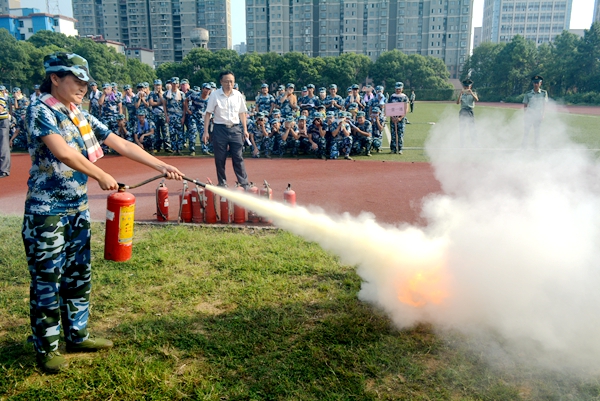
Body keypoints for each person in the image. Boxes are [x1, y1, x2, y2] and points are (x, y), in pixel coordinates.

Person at [23, 52, 183, 373]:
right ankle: (48, 347)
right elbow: (63, 152)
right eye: (77, 81)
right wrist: (100, 175)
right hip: (47, 213)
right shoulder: (40, 109)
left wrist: (160, 164)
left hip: (77, 209)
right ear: (55, 78)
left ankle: (77, 335)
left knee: (79, 275)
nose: (84, 88)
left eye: (86, 83)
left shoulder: (79, 114)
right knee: (47, 280)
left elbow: (120, 142)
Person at [203, 70, 250, 188]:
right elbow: (208, 113)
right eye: (227, 81)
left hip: (235, 129)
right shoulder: (215, 95)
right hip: (220, 129)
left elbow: (242, 113)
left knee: (238, 157)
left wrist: (245, 129)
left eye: (232, 82)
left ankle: (243, 182)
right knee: (220, 158)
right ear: (221, 82)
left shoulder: (238, 95)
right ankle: (222, 182)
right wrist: (206, 132)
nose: (229, 84)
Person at [522, 75, 548, 149]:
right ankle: (524, 147)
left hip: (538, 115)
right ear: (533, 83)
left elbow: (544, 105)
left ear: (540, 83)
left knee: (537, 133)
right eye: (534, 83)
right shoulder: (528, 93)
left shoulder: (543, 93)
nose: (536, 84)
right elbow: (525, 105)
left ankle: (537, 148)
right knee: (526, 132)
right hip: (530, 115)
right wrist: (526, 115)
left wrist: (543, 115)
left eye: (537, 82)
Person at [456, 79, 479, 147]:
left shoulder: (473, 93)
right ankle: (462, 144)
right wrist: (460, 94)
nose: (466, 88)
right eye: (465, 87)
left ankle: (474, 144)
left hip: (470, 111)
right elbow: (457, 102)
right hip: (463, 111)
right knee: (462, 128)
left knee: (472, 128)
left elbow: (477, 100)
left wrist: (471, 93)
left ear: (470, 87)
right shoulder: (462, 94)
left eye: (468, 87)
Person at [388, 82, 409, 154]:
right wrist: (392, 117)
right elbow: (389, 108)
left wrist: (400, 118)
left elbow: (406, 109)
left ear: (402, 89)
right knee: (393, 134)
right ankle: (393, 149)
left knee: (400, 134)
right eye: (397, 89)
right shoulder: (392, 97)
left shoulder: (404, 97)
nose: (398, 90)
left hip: (401, 119)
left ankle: (400, 148)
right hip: (393, 119)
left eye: (399, 89)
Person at [0, 90, 9, 177]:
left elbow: (0, 108)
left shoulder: (0, 95)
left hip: (2, 121)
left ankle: (4, 170)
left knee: (3, 146)